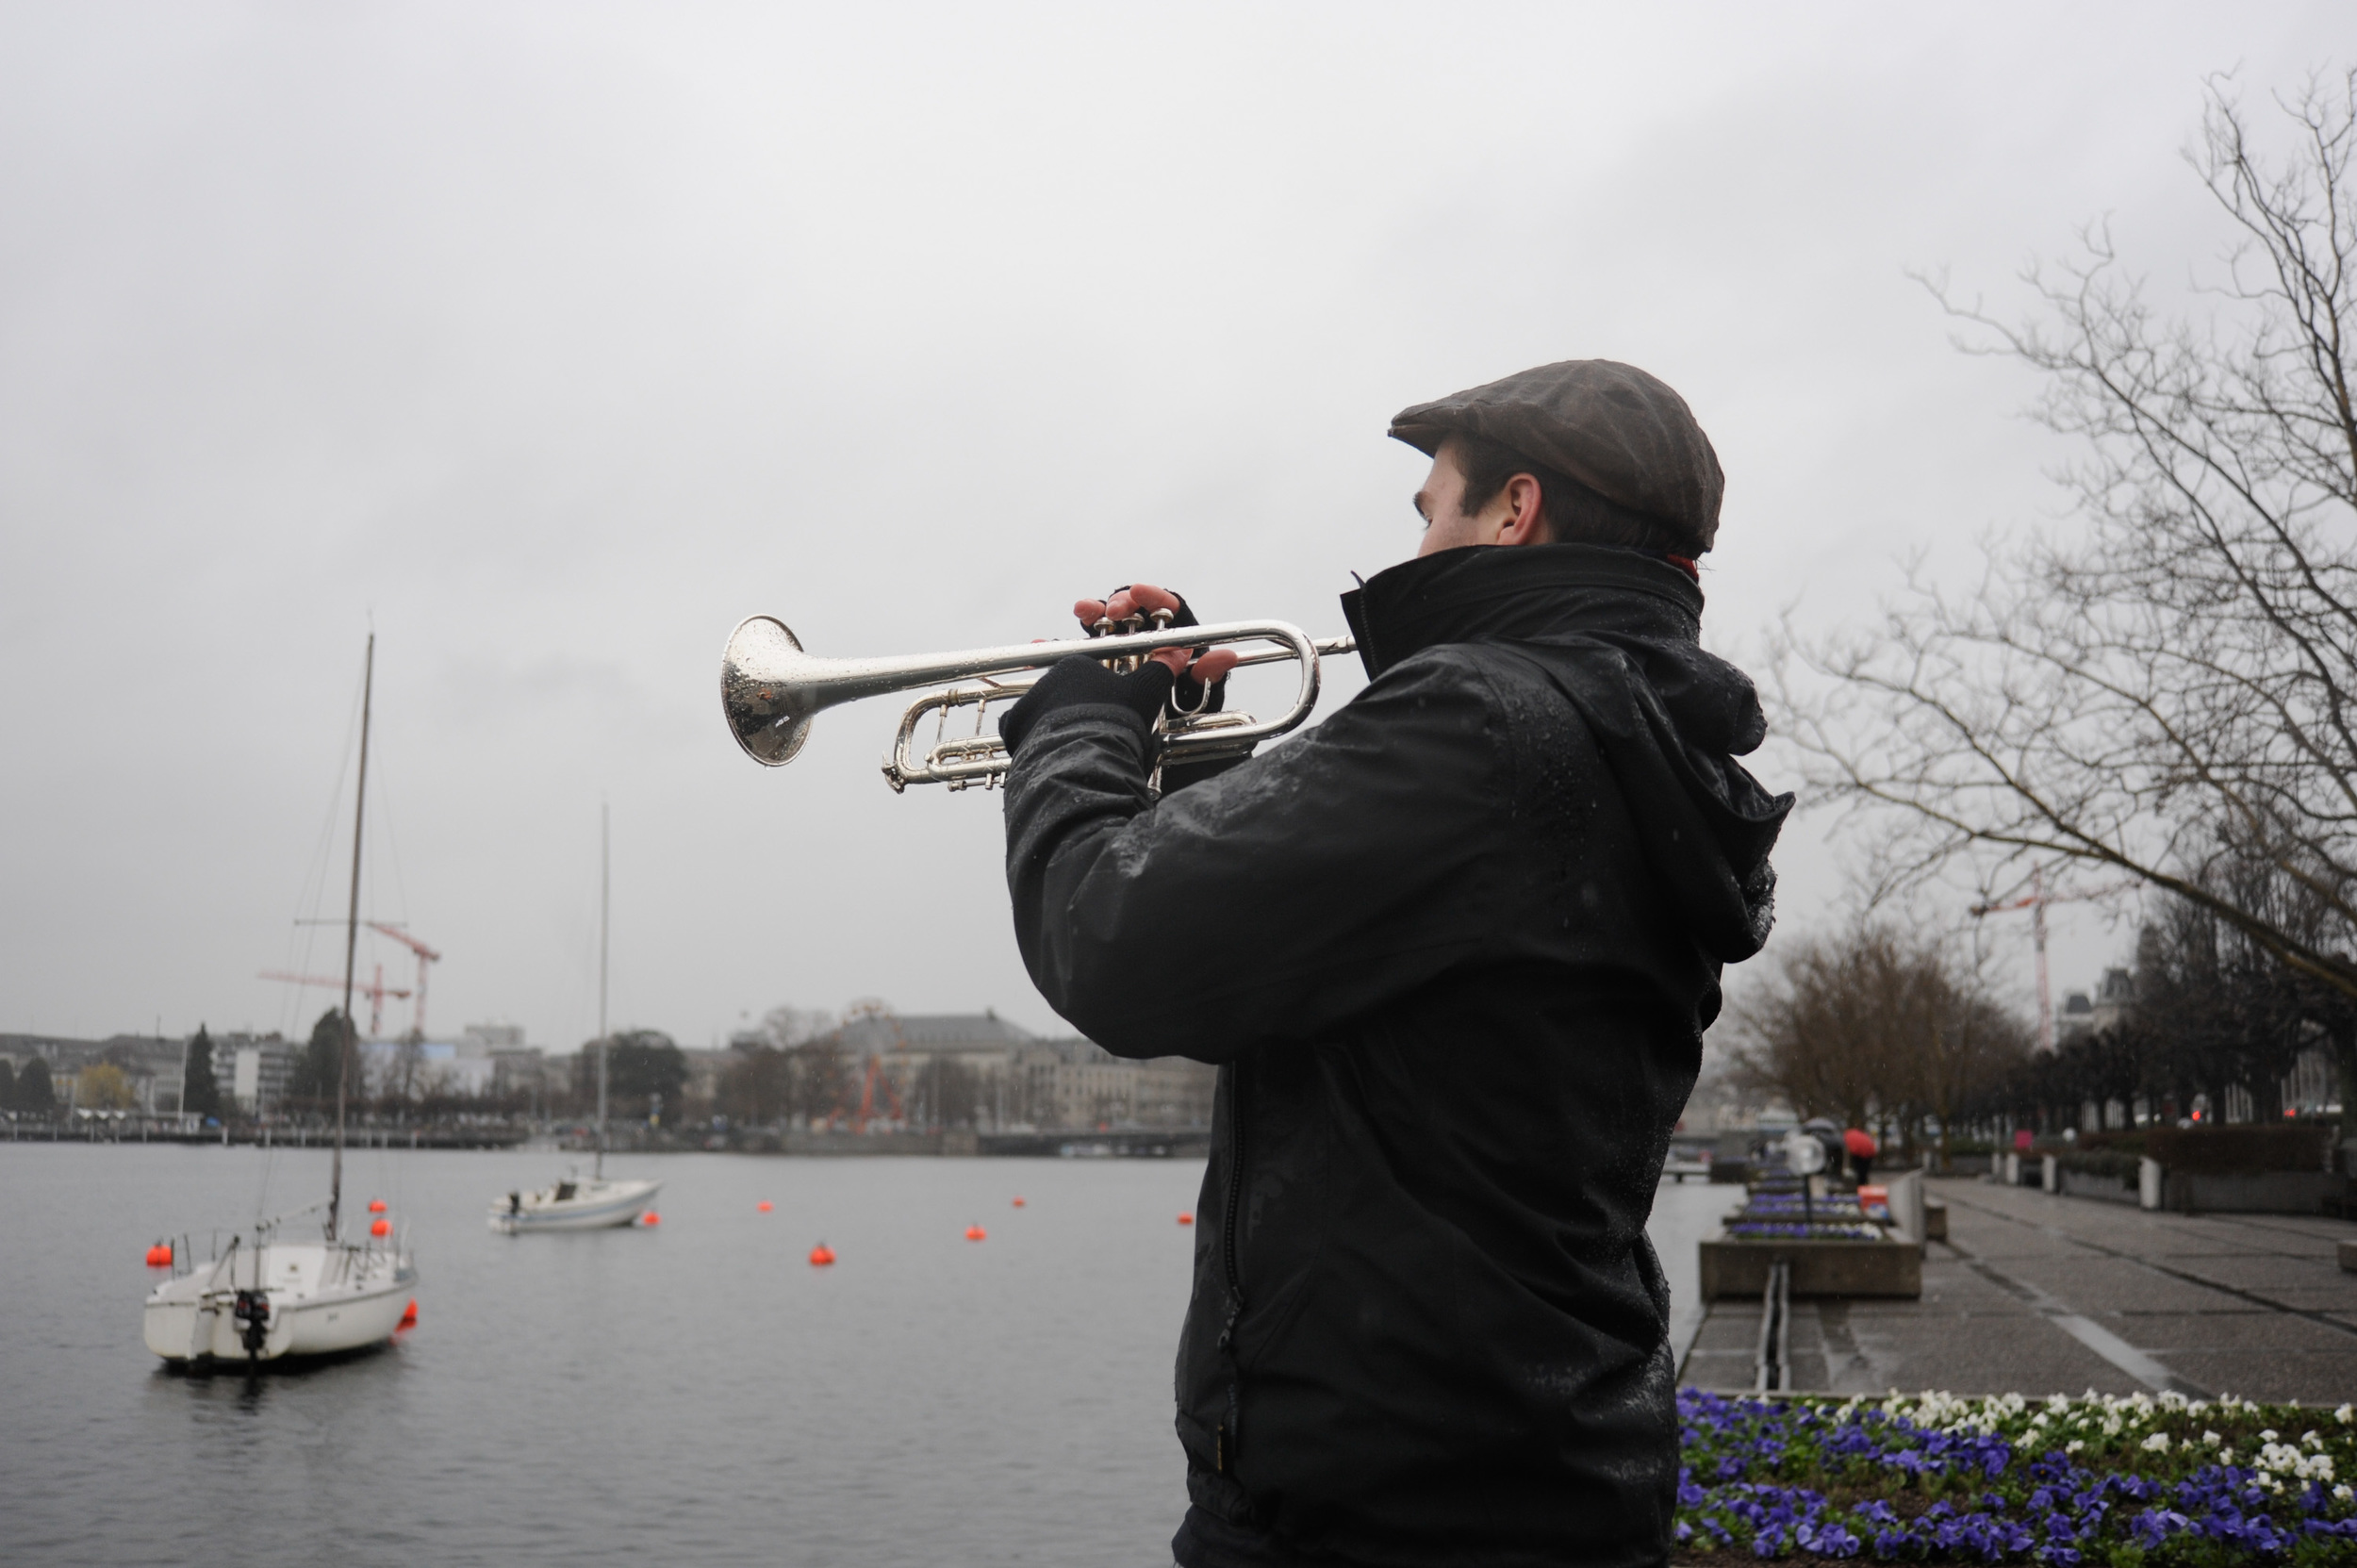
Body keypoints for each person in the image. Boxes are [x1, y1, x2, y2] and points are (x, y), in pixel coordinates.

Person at [997, 359, 1791, 1568]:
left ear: (1514, 510)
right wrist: (1196, 764)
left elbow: (1103, 934)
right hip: (1535, 1469)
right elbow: (1345, 971)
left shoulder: (1479, 717)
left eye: (1429, 512)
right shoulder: (1629, 738)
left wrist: (1078, 720)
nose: (1414, 549)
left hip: (1374, 1505)